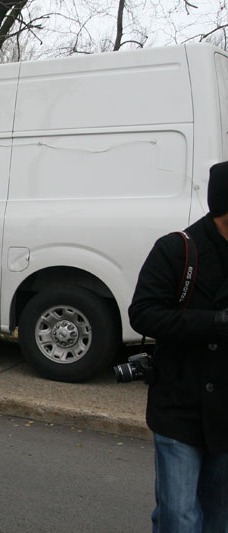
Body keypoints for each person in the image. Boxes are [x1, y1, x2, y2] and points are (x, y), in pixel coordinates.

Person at [128, 161, 228, 531]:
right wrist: (216, 323)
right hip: (180, 402)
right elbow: (143, 314)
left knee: (219, 515)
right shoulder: (177, 249)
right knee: (180, 516)